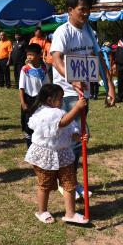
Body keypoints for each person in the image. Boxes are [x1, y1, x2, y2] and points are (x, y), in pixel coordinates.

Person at [50, 0, 115, 199]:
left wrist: (110, 87)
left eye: (88, 10)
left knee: (78, 139)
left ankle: (68, 180)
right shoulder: (62, 32)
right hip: (67, 93)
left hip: (83, 93)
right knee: (76, 138)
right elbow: (56, 59)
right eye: (82, 10)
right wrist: (71, 78)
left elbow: (98, 58)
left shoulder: (88, 30)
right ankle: (66, 181)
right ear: (70, 10)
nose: (86, 14)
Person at [25, 84, 89, 225]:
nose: (62, 101)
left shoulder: (59, 111)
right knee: (45, 184)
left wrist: (79, 137)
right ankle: (42, 211)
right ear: (49, 100)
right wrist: (77, 108)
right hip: (45, 155)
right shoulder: (46, 114)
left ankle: (70, 213)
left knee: (69, 182)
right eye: (60, 98)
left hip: (63, 153)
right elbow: (62, 123)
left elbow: (70, 128)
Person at [19, 44, 49, 147]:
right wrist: (23, 102)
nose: (29, 57)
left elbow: (46, 86)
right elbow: (21, 87)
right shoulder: (25, 69)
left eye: (31, 54)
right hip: (28, 99)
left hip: (40, 100)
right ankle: (29, 145)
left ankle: (38, 144)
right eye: (28, 55)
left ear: (39, 55)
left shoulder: (43, 68)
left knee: (40, 123)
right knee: (28, 124)